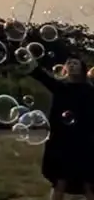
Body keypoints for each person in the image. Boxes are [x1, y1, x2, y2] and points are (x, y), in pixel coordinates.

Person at [28, 56, 94, 199]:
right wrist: (28, 60)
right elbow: (42, 76)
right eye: (69, 63)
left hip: (84, 143)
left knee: (88, 184)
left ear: (82, 69)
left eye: (75, 63)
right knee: (60, 182)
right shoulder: (61, 87)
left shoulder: (90, 91)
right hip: (62, 142)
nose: (71, 65)